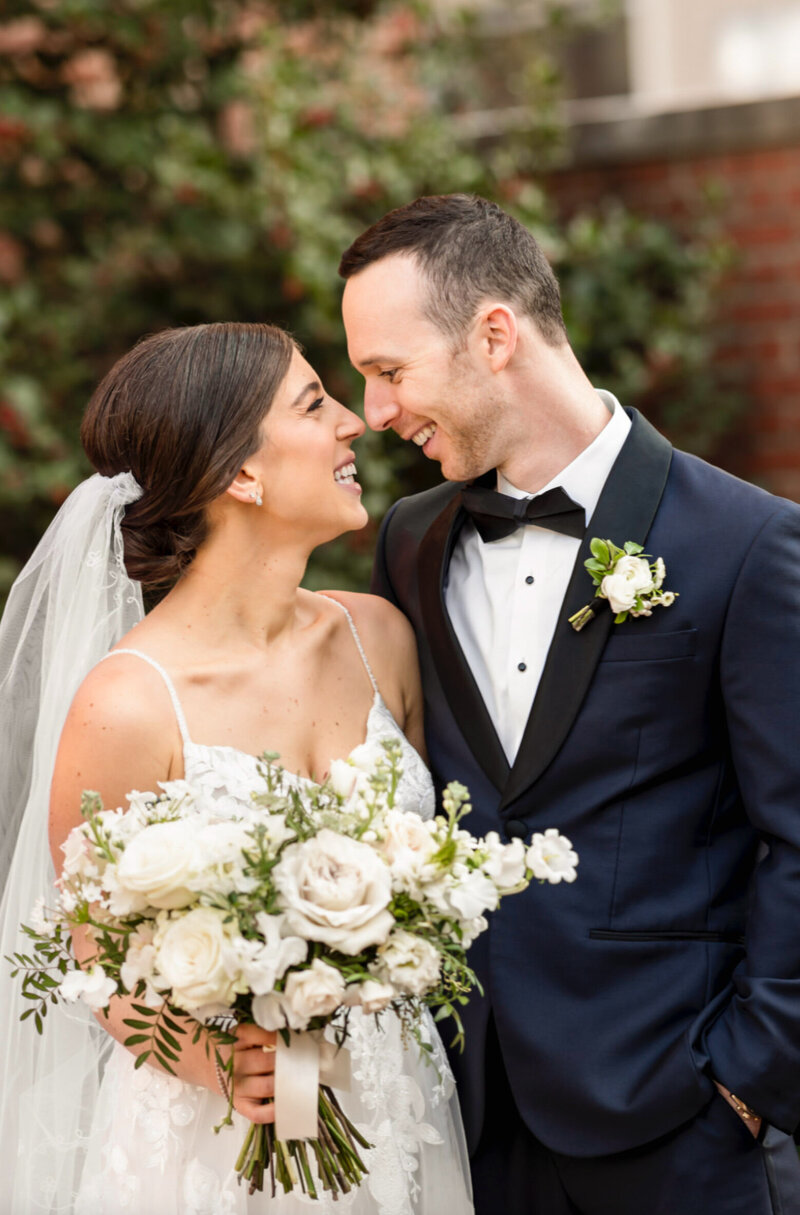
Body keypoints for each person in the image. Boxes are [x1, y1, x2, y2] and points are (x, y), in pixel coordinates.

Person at [338, 193, 800, 1215]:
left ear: (492, 334)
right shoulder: (408, 544)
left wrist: (750, 1077)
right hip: (469, 1119)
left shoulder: (746, 543)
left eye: (387, 372)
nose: (375, 413)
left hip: (680, 1120)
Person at [0, 322, 473, 1214]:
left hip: (398, 1106)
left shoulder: (379, 637)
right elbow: (91, 955)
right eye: (313, 402)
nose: (354, 423)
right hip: (216, 1145)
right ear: (239, 475)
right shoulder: (130, 702)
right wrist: (216, 1060)